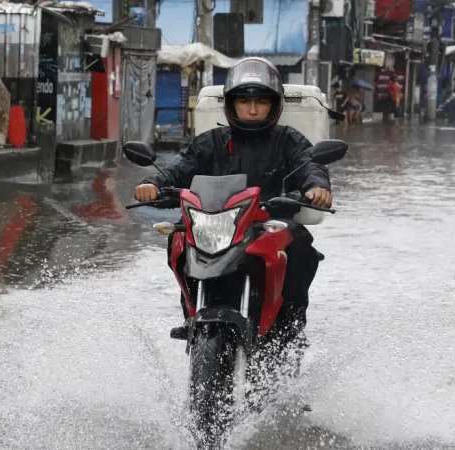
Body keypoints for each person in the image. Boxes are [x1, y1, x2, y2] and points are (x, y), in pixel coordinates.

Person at [134, 57, 333, 347]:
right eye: (244, 101)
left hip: (267, 222)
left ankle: (289, 326)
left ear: (274, 105)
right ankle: (191, 313)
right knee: (178, 237)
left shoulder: (289, 140)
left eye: (261, 102)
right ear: (231, 104)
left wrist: (317, 187)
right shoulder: (210, 142)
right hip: (217, 222)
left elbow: (311, 165)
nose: (252, 110)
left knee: (301, 247)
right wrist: (152, 184)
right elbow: (178, 168)